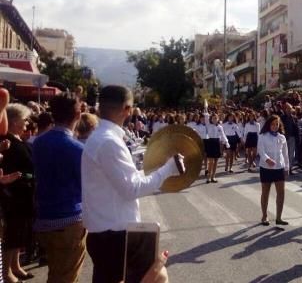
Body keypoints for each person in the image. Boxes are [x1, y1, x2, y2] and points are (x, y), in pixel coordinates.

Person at [81, 86, 185, 283]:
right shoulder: (109, 141)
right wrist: (169, 169)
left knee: (155, 275)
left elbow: (123, 179)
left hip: (107, 232)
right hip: (114, 234)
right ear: (127, 109)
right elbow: (132, 189)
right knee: (158, 275)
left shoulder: (101, 137)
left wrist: (155, 166)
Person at [32, 93, 86, 283]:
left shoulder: (38, 142)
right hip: (68, 220)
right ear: (78, 114)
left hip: (44, 217)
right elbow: (84, 186)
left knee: (56, 274)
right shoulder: (76, 148)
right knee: (66, 278)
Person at [1, 103, 35, 283]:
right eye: (24, 120)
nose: (27, 124)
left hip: (24, 194)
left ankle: (15, 266)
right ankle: (6, 272)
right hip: (14, 195)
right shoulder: (7, 143)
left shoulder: (17, 140)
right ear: (14, 121)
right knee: (12, 235)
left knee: (20, 233)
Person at [257, 115, 289, 226]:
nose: (275, 126)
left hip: (279, 167)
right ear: (269, 124)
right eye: (273, 124)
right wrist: (267, 159)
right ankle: (264, 216)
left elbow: (285, 153)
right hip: (266, 168)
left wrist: (287, 167)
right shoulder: (263, 136)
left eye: (277, 124)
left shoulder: (282, 137)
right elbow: (260, 150)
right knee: (265, 193)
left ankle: (279, 217)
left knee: (281, 193)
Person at [204, 113, 229, 183]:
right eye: (213, 118)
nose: (214, 119)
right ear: (211, 119)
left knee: (215, 161)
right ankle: (208, 177)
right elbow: (206, 118)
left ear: (218, 119)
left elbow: (223, 135)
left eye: (216, 118)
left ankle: (213, 176)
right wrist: (206, 111)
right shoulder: (208, 125)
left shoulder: (220, 127)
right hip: (210, 142)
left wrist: (226, 142)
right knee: (210, 162)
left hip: (217, 143)